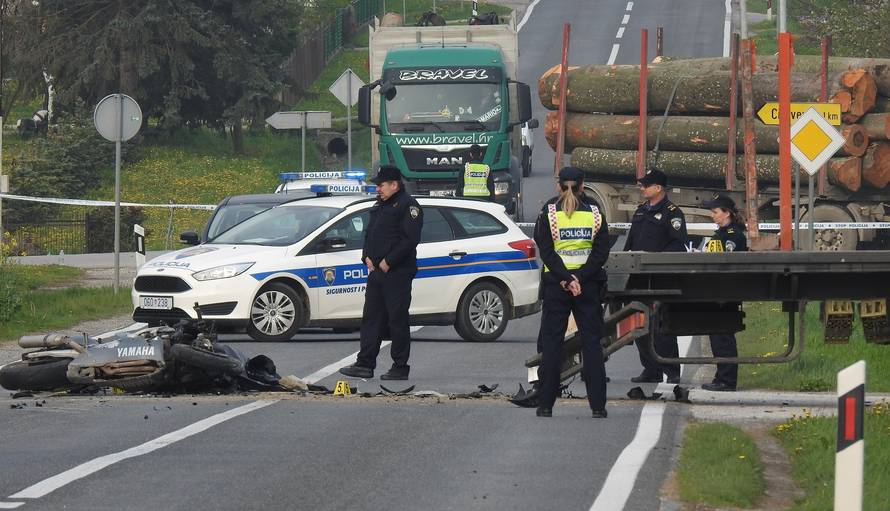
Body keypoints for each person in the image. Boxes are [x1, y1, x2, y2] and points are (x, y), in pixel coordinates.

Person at [533, 166, 611, 418]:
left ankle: (545, 405)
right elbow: (601, 252)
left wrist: (565, 278)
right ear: (583, 185)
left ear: (559, 185)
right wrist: (579, 277)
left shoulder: (549, 211)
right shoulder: (595, 211)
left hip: (557, 285)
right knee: (591, 344)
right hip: (587, 285)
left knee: (552, 344)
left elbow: (546, 251)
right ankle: (598, 407)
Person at [339, 165, 423, 380]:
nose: (378, 189)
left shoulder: (408, 205)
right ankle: (365, 363)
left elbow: (410, 240)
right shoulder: (380, 204)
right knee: (371, 319)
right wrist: (366, 256)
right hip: (376, 271)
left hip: (397, 273)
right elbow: (370, 234)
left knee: (397, 320)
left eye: (381, 185)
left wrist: (388, 261)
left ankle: (400, 367)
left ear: (394, 185)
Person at [625, 167, 688, 384]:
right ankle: (650, 369)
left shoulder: (673, 213)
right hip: (637, 277)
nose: (642, 188)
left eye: (646, 185)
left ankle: (671, 370)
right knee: (639, 325)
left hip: (659, 277)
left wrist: (656, 260)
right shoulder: (641, 211)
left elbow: (678, 245)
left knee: (661, 326)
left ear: (658, 187)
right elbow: (630, 242)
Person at [701, 193, 747, 392]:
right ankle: (721, 376)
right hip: (717, 289)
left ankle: (727, 380)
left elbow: (727, 262)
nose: (713, 215)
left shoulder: (733, 235)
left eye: (715, 212)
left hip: (726, 291)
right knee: (717, 335)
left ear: (727, 213)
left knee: (723, 336)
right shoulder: (721, 233)